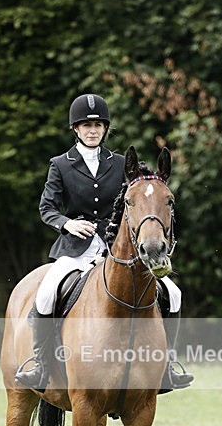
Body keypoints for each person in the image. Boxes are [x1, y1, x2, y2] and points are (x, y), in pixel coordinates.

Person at [15, 93, 193, 393]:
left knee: (173, 293)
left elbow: (144, 191)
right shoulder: (60, 165)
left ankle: (166, 365)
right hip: (75, 250)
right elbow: (47, 208)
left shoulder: (121, 164)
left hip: (116, 250)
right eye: (86, 125)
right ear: (76, 129)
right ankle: (40, 364)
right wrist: (67, 223)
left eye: (98, 125)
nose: (92, 130)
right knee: (45, 294)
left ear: (105, 128)